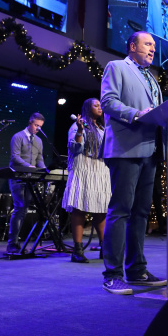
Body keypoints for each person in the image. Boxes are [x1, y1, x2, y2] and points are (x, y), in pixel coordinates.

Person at [100, 31, 167, 294]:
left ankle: (136, 271)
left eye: (154, 45)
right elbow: (108, 102)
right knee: (120, 211)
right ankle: (112, 275)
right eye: (148, 44)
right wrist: (137, 114)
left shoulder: (152, 78)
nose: (153, 49)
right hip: (126, 149)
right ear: (132, 46)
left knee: (141, 213)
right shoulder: (117, 67)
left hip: (150, 151)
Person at [62, 98, 111, 263]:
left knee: (102, 210)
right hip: (83, 168)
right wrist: (80, 130)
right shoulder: (78, 125)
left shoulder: (103, 128)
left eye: (100, 105)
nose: (100, 107)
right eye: (95, 105)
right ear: (87, 108)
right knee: (79, 209)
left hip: (101, 169)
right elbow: (74, 147)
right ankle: (77, 250)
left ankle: (105, 249)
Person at [6, 113, 46, 254]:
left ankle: (16, 243)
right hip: (17, 177)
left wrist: (44, 170)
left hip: (30, 179)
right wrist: (28, 166)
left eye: (40, 127)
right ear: (30, 122)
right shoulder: (18, 136)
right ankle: (12, 243)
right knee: (19, 207)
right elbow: (15, 157)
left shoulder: (39, 141)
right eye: (36, 125)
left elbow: (39, 159)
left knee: (24, 209)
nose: (38, 129)